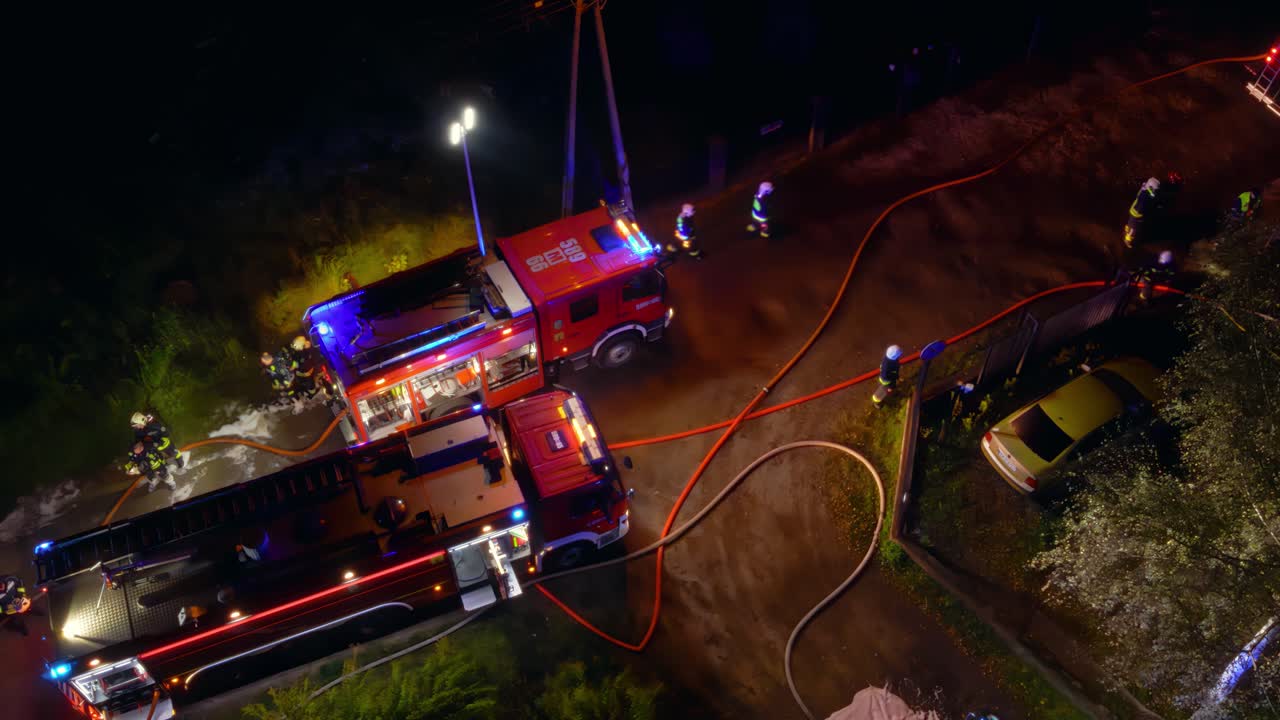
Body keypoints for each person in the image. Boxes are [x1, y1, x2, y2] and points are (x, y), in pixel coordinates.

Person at [1124, 177, 1160, 249]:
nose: (1155, 191)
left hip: (1133, 210)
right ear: (1151, 188)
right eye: (1154, 189)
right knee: (1133, 229)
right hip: (1136, 213)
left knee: (1130, 223)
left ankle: (1126, 230)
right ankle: (1127, 240)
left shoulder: (1144, 189)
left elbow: (1140, 195)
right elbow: (1145, 203)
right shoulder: (1146, 195)